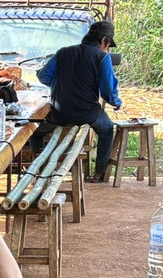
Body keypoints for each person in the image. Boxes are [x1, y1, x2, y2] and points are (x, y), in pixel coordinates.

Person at [29, 19, 122, 183]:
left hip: (59, 113)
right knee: (107, 129)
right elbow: (107, 91)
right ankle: (99, 174)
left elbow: (43, 76)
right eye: (108, 45)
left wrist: (60, 84)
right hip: (87, 114)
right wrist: (117, 103)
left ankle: (42, 171)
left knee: (35, 135)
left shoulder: (63, 52)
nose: (107, 49)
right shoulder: (102, 57)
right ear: (103, 41)